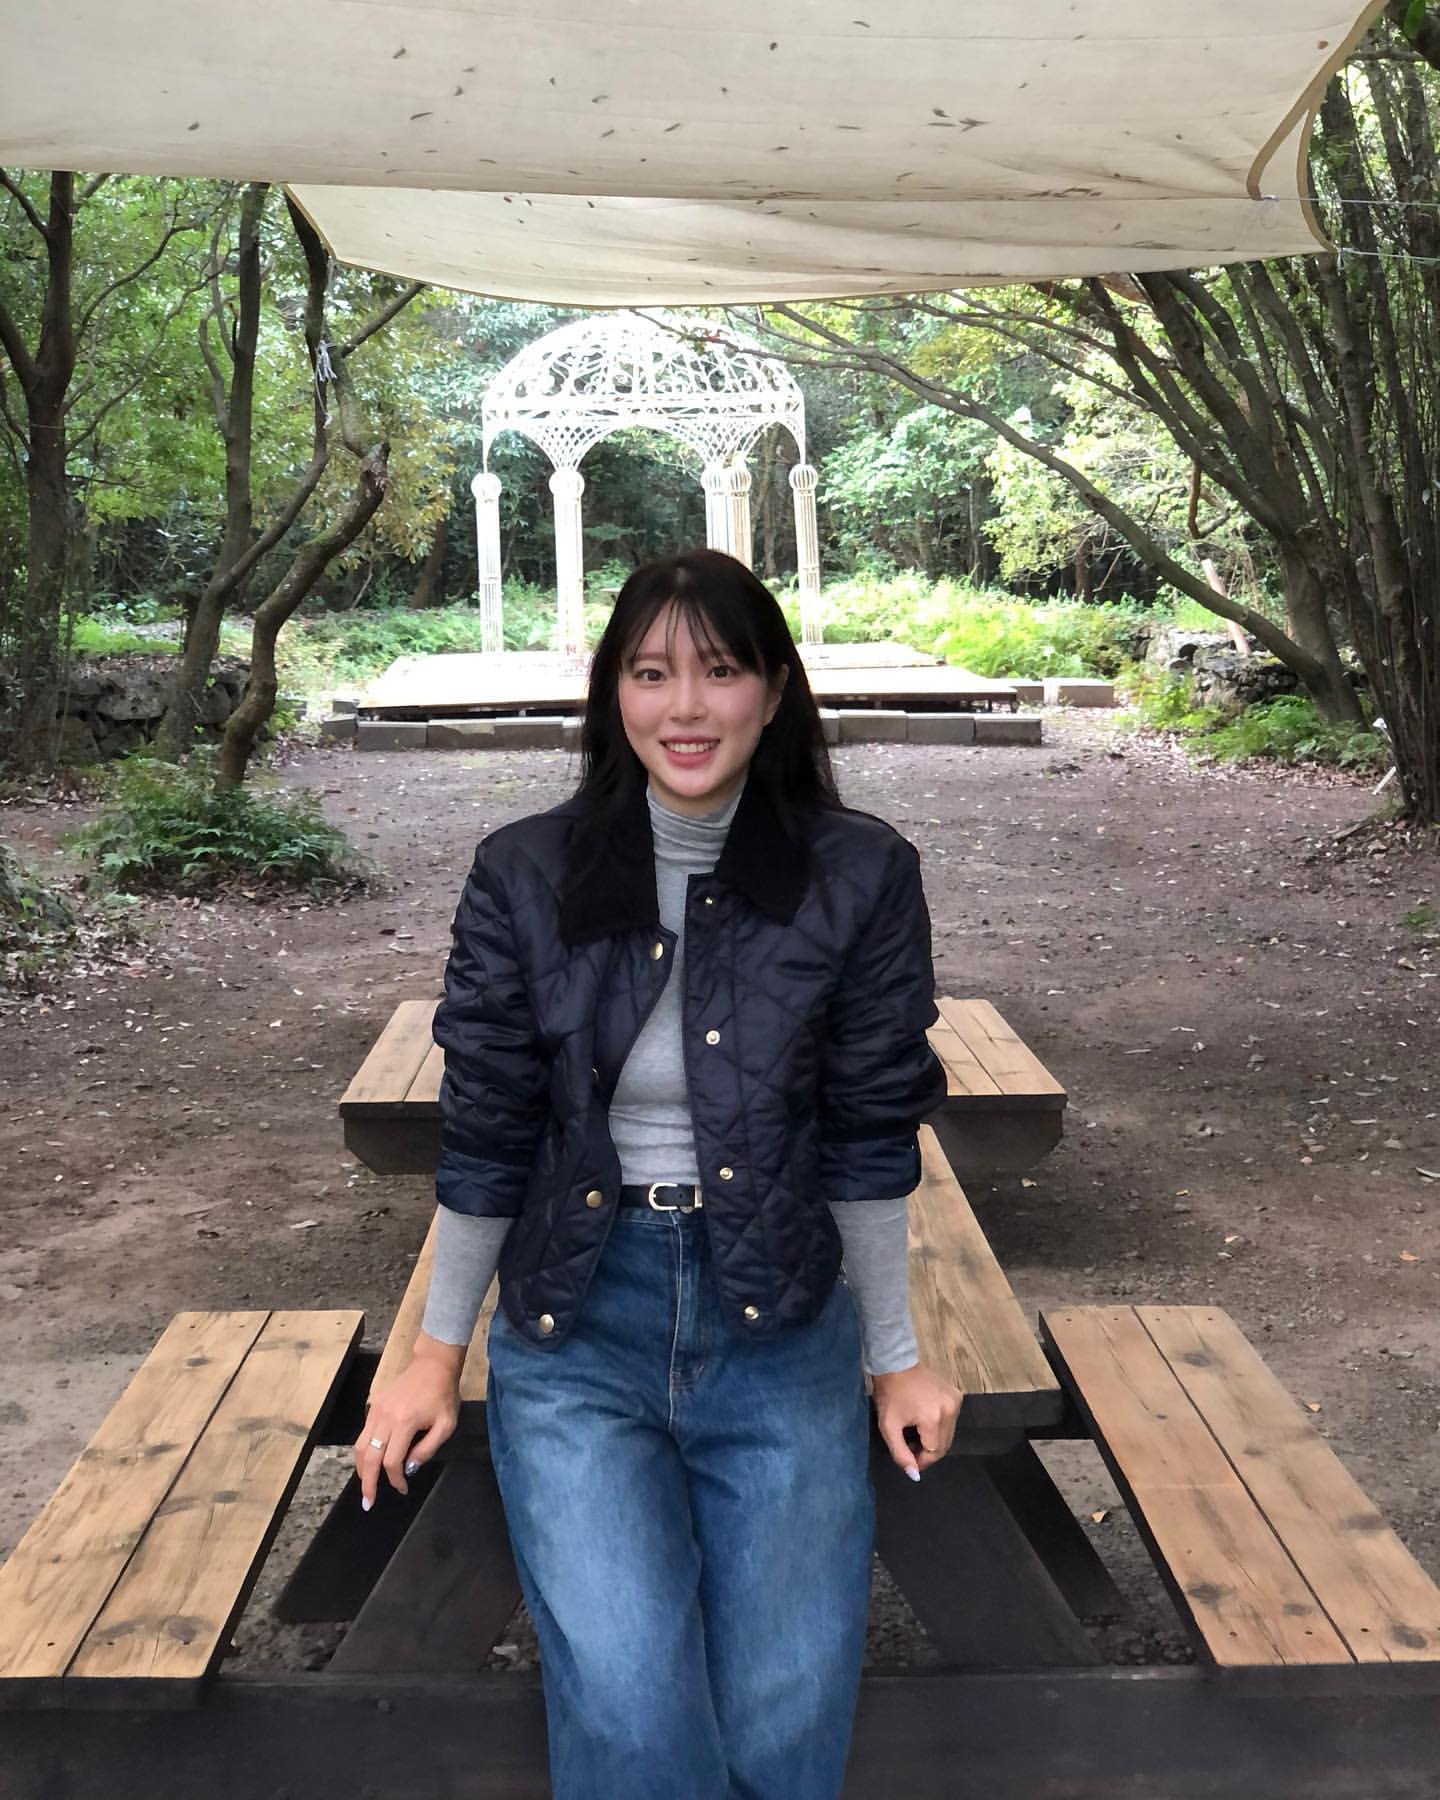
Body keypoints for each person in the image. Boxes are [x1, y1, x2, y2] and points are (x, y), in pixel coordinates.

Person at [355, 548, 962, 1799]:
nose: (685, 707)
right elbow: (488, 1129)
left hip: (777, 1315)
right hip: (579, 1316)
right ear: (613, 694)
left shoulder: (861, 874)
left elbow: (867, 1132)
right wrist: (431, 1353)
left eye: (720, 671)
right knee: (630, 1708)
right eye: (650, 674)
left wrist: (895, 1354)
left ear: (776, 691)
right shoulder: (524, 873)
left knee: (784, 1715)